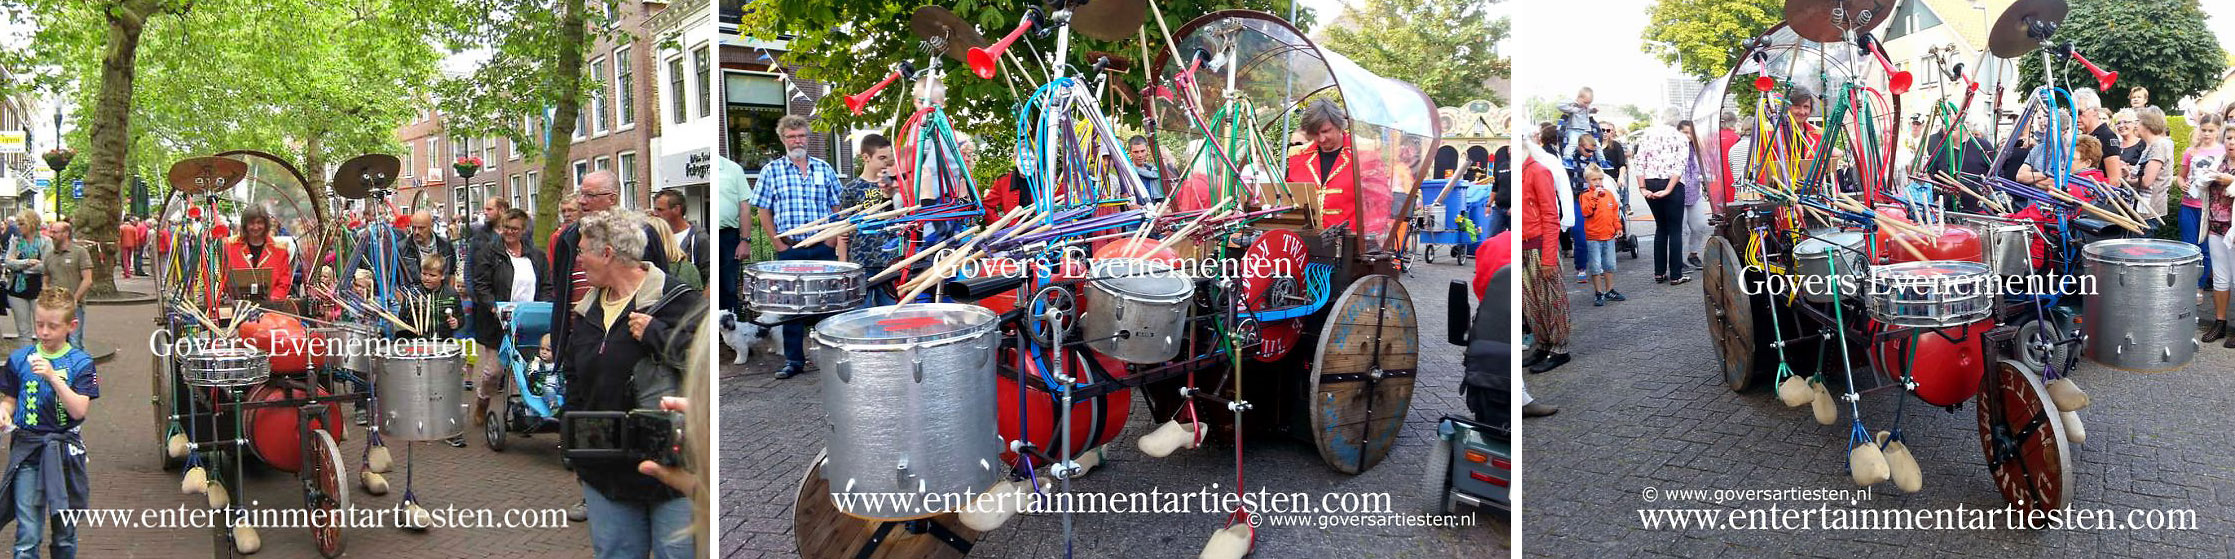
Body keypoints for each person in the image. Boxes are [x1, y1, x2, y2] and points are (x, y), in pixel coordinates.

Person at [564, 210, 700, 559]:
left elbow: (702, 369)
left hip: (670, 465)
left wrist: (658, 335)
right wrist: (578, 448)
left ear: (607, 253)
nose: (578, 261)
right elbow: (575, 380)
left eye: (583, 252)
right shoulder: (586, 309)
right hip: (605, 467)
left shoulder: (675, 299)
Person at [0, 288, 97, 559]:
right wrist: (4, 411)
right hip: (28, 450)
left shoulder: (81, 363)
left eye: (52, 326)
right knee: (27, 532)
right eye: (39, 324)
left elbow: (79, 410)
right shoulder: (20, 359)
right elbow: (11, 398)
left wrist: (54, 377)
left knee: (65, 533)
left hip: (64, 454)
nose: (43, 332)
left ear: (71, 326)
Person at [748, 115, 844, 380]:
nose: (797, 141)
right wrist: (777, 242)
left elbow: (837, 207)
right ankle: (794, 360)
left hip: (822, 246)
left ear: (807, 138)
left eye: (801, 135)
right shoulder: (771, 171)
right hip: (791, 249)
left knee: (828, 302)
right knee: (792, 306)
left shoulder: (824, 169)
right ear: (783, 140)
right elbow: (763, 211)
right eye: (791, 137)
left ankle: (832, 356)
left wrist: (832, 238)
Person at [469, 207, 552, 436]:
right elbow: (481, 284)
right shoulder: (489, 253)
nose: (509, 232)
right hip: (499, 320)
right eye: (506, 227)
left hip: (527, 320)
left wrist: (542, 307)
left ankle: (520, 412)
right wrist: (493, 306)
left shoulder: (536, 256)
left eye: (515, 229)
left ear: (524, 230)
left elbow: (546, 285)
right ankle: (483, 400)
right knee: (494, 371)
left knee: (522, 370)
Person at [1284, 98, 1386, 235]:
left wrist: (1371, 242)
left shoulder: (1363, 154)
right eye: (1315, 133)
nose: (1321, 139)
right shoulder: (1299, 156)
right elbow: (1290, 202)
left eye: (1326, 131)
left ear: (1339, 125)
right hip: (1305, 243)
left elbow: (1379, 204)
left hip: (1351, 244)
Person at [1523, 126, 1572, 374]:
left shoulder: (1539, 171)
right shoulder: (1520, 171)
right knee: (1531, 302)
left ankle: (1560, 348)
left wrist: (1549, 256)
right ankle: (1543, 343)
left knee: (1552, 301)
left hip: (1540, 246)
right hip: (1523, 246)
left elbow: (1551, 216)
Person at [835, 134, 900, 304]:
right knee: (859, 314)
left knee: (890, 314)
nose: (887, 162)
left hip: (889, 263)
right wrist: (843, 266)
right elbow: (843, 232)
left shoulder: (894, 186)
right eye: (882, 158)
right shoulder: (851, 189)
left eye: (889, 158)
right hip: (860, 264)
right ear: (866, 158)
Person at [1634, 115, 1691, 284]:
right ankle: (1676, 274)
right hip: (1672, 184)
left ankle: (1659, 272)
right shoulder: (1681, 138)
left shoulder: (1647, 135)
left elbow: (1639, 162)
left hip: (1650, 182)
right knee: (1674, 230)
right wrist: (1668, 189)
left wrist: (1642, 188)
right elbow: (1680, 166)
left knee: (1661, 228)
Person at [2184, 116, 2227, 342]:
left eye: (2212, 130)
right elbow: (2182, 177)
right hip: (2196, 208)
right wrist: (2182, 183)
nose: (2207, 133)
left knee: (2208, 252)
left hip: (2216, 211)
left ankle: (2199, 287)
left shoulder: (2222, 154)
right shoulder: (2192, 151)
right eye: (2204, 129)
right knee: (2191, 249)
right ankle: (2187, 285)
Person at [222, 206, 296, 301]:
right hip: (237, 306)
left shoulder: (279, 249)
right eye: (251, 223)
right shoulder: (229, 246)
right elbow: (223, 276)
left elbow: (284, 280)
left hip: (271, 307)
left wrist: (273, 299)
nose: (256, 227)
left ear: (266, 224)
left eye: (259, 223)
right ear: (245, 225)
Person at [1577, 166, 1623, 306]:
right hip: (1593, 237)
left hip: (1608, 235)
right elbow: (1586, 212)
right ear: (1587, 180)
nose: (1597, 182)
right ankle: (1598, 292)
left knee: (1610, 265)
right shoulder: (1585, 195)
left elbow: (1614, 213)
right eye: (1594, 179)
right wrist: (1594, 198)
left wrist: (1618, 227)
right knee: (1596, 266)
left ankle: (1609, 290)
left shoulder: (1609, 194)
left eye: (1600, 179)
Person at [38, 223, 89, 349]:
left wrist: (75, 299)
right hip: (54, 307)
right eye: (51, 232)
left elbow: (87, 280)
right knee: (54, 341)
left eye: (55, 232)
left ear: (66, 234)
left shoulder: (80, 252)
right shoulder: (50, 255)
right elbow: (46, 277)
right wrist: (46, 294)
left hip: (74, 307)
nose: (51, 235)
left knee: (75, 341)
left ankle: (78, 367)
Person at [2, 212, 44, 344]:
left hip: (39, 288)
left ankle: (43, 360)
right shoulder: (16, 241)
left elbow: (46, 266)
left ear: (31, 224)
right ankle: (26, 361)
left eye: (22, 224)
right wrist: (27, 262)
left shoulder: (45, 241)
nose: (18, 227)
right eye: (18, 224)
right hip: (17, 289)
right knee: (23, 331)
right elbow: (8, 262)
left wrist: (19, 266)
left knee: (42, 329)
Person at [716, 155, 750, 315]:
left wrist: (745, 240)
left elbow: (745, 207)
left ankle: (730, 331)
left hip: (727, 236)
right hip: (706, 235)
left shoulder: (734, 170)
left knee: (729, 285)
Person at [652, 189, 704, 289]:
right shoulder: (656, 234)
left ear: (676, 209)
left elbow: (711, 276)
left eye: (660, 210)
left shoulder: (699, 238)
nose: (655, 214)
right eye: (655, 209)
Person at [2134, 107, 2176, 222]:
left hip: (2149, 211)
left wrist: (2126, 179)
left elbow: (2147, 181)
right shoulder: (2151, 145)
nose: (2135, 125)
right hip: (2143, 210)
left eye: (2137, 122)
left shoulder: (2159, 145)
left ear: (2147, 124)